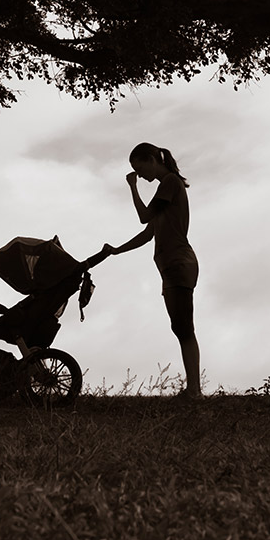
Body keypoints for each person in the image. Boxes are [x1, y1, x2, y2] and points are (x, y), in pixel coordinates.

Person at [102, 142, 202, 399]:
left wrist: (132, 188)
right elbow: (148, 233)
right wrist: (117, 250)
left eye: (140, 168)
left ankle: (194, 391)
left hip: (179, 263)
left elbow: (144, 217)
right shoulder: (165, 190)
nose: (141, 175)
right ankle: (193, 389)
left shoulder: (169, 182)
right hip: (170, 266)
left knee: (184, 328)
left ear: (150, 159)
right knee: (179, 328)